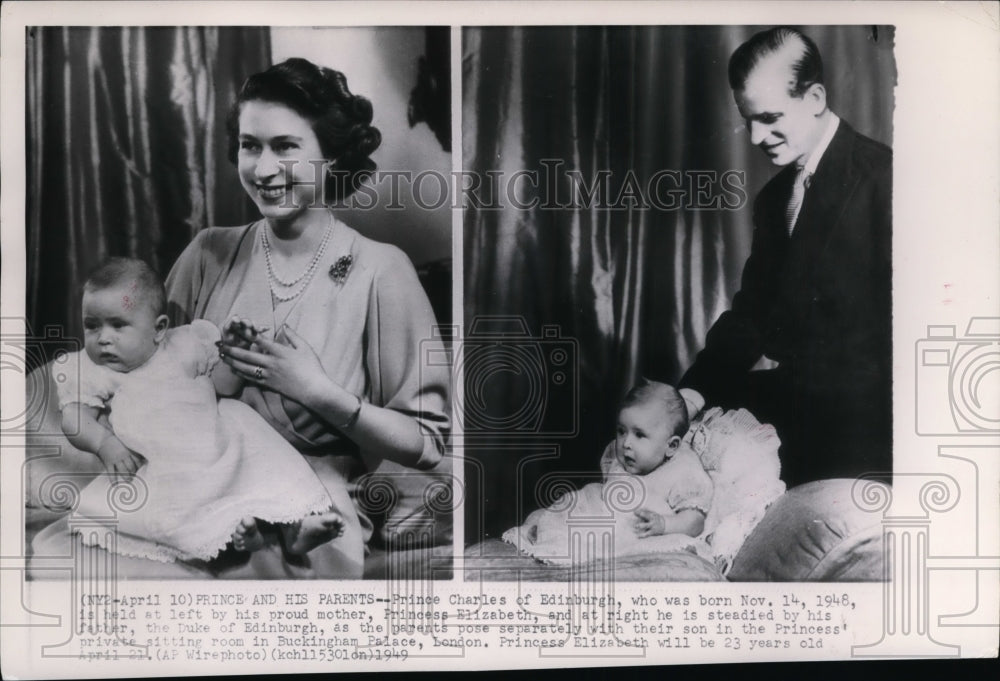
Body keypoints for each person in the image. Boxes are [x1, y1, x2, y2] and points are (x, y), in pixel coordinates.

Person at [164, 58, 451, 577]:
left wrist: (317, 391)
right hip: (199, 485)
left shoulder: (380, 270)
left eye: (286, 146)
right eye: (250, 146)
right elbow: (152, 377)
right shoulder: (207, 253)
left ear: (332, 157)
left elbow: (427, 444)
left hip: (312, 509)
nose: (263, 168)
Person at [679, 27, 892, 487]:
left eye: (770, 117)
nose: (756, 135)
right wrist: (687, 400)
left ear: (815, 97)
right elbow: (753, 315)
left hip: (866, 436)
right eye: (748, 119)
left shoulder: (885, 178)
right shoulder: (774, 199)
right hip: (803, 418)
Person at [45, 257, 346, 563]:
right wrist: (104, 442)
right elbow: (74, 419)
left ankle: (294, 529)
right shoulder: (94, 369)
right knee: (177, 509)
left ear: (159, 329)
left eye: (118, 325)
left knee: (266, 464)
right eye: (91, 326)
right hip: (164, 458)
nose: (103, 338)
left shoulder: (187, 342)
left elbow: (224, 387)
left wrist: (230, 350)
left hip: (221, 439)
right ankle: (242, 537)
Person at [502, 380, 713, 564]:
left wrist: (665, 524)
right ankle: (549, 535)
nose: (626, 443)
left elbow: (695, 521)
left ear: (672, 446)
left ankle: (561, 541)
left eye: (640, 435)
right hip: (606, 514)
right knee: (559, 512)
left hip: (638, 531)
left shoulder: (682, 468)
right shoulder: (619, 454)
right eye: (622, 431)